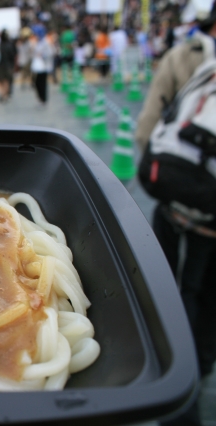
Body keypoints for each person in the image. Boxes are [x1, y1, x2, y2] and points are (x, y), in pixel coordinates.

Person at [135, 6, 216, 426]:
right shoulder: (186, 55)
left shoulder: (186, 55)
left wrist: (153, 167)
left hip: (183, 213)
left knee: (173, 300)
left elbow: (151, 117)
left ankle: (181, 398)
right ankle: (191, 382)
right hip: (193, 211)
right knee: (197, 308)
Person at [31, 24, 55, 105]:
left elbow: (51, 53)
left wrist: (42, 55)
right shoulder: (38, 42)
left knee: (42, 83)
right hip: (38, 66)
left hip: (44, 66)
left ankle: (43, 98)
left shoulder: (46, 42)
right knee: (37, 82)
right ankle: (40, 97)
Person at [0, 30, 16, 102]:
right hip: (8, 66)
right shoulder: (10, 45)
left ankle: (1, 93)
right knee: (6, 81)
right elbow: (13, 56)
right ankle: (5, 95)